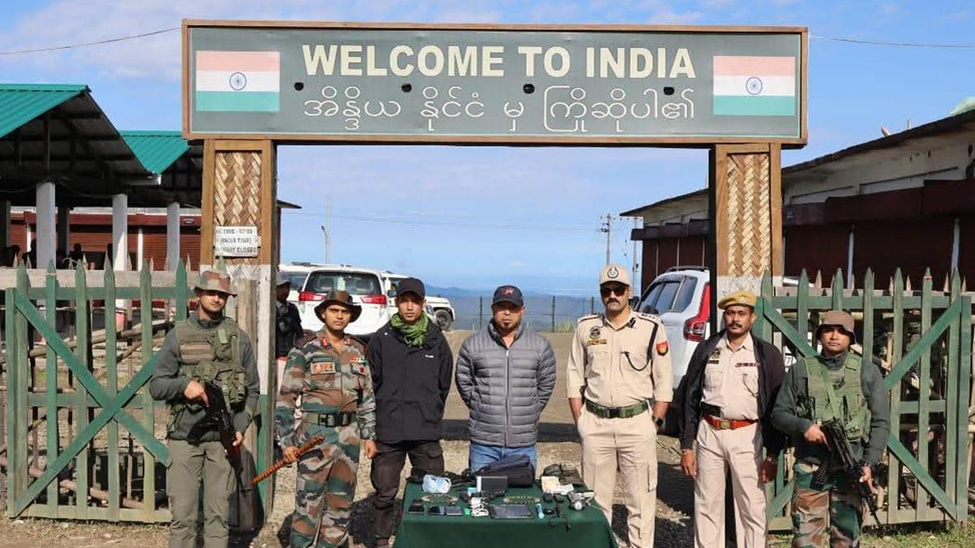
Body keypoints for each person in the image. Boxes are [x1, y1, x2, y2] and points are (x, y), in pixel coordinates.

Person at [149, 270, 260, 548]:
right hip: (185, 438)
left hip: (222, 442)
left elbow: (253, 390)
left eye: (222, 294)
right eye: (211, 292)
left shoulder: (239, 339)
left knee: (218, 518)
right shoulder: (179, 335)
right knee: (183, 518)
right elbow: (157, 386)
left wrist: (239, 427)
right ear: (198, 294)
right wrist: (184, 385)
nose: (216, 298)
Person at [566, 264, 673, 548]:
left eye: (618, 290)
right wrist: (581, 421)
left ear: (629, 291)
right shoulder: (586, 327)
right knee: (595, 501)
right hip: (596, 423)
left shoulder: (650, 327)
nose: (612, 295)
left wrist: (655, 422)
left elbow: (664, 381)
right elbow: (574, 376)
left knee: (641, 500)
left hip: (636, 423)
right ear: (601, 293)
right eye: (606, 290)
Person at [772, 310, 890, 548]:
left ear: (851, 338)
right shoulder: (801, 370)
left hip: (851, 468)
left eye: (841, 332)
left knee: (847, 538)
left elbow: (881, 422)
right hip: (812, 465)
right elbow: (778, 414)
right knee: (805, 539)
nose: (834, 336)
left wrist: (869, 463)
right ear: (819, 335)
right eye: (828, 330)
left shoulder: (867, 372)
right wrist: (804, 426)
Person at [677, 290, 786, 548]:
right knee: (707, 503)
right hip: (710, 432)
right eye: (730, 313)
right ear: (724, 316)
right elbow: (690, 396)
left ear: (752, 317)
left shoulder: (766, 354)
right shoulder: (707, 349)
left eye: (741, 313)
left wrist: (773, 454)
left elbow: (777, 405)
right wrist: (686, 446)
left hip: (747, 435)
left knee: (751, 505)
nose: (735, 319)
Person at [276, 290, 377, 548]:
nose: (339, 316)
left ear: (350, 316)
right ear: (323, 313)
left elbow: (366, 398)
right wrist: (286, 442)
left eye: (345, 311)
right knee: (308, 505)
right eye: (334, 310)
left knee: (341, 505)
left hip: (349, 436)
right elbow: (286, 400)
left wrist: (369, 436)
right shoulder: (305, 350)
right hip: (315, 436)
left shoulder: (358, 350)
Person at [367, 277, 453, 547]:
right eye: (404, 301)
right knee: (384, 492)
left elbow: (444, 383)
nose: (409, 306)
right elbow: (372, 382)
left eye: (414, 301)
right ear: (396, 303)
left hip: (425, 429)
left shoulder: (436, 340)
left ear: (423, 304)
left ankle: (428, 539)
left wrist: (430, 409)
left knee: (433, 490)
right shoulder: (381, 339)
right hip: (389, 429)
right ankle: (381, 539)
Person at [455, 284, 557, 472]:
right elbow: (464, 381)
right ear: (493, 309)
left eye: (513, 308)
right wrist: (479, 404)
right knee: (481, 491)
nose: (507, 313)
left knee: (523, 492)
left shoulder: (540, 346)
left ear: (522, 310)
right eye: (502, 307)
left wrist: (533, 407)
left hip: (523, 443)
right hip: (484, 444)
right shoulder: (473, 344)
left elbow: (546, 384)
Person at [275, 271, 303, 358]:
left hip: (291, 356)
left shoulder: (292, 309)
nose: (285, 290)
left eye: (287, 287)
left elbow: (299, 334)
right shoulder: (269, 310)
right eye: (281, 287)